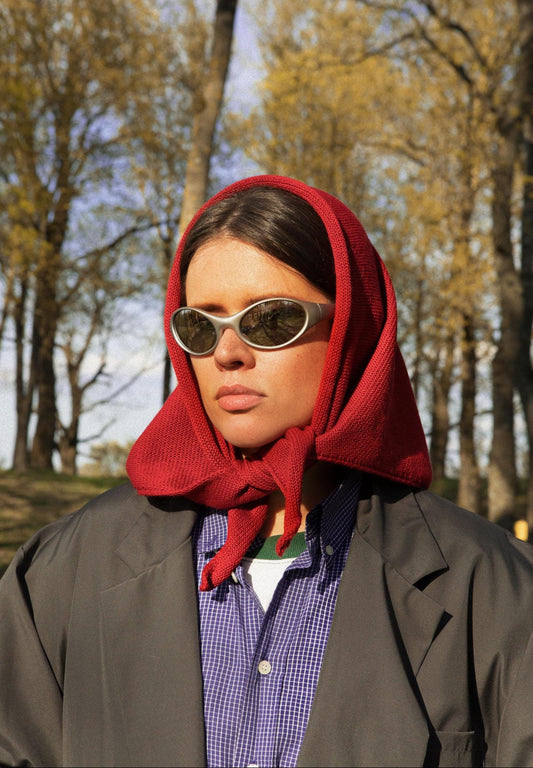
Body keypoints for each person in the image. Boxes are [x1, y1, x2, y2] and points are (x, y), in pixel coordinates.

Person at [1, 175, 533, 768]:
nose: (227, 352)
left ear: (354, 329)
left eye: (270, 320)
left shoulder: (492, 591)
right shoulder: (63, 573)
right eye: (200, 326)